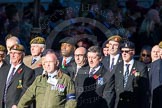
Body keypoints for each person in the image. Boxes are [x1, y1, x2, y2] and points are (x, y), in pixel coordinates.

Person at [112, 41, 150, 108]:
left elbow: (143, 90)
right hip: (119, 104)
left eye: (126, 51)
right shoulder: (117, 67)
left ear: (133, 52)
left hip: (134, 104)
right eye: (122, 51)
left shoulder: (141, 67)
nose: (124, 54)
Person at [0, 43, 35, 108]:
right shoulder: (3, 69)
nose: (12, 55)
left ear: (23, 55)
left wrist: (18, 104)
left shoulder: (28, 72)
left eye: (16, 53)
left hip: (15, 106)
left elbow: (26, 91)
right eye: (11, 53)